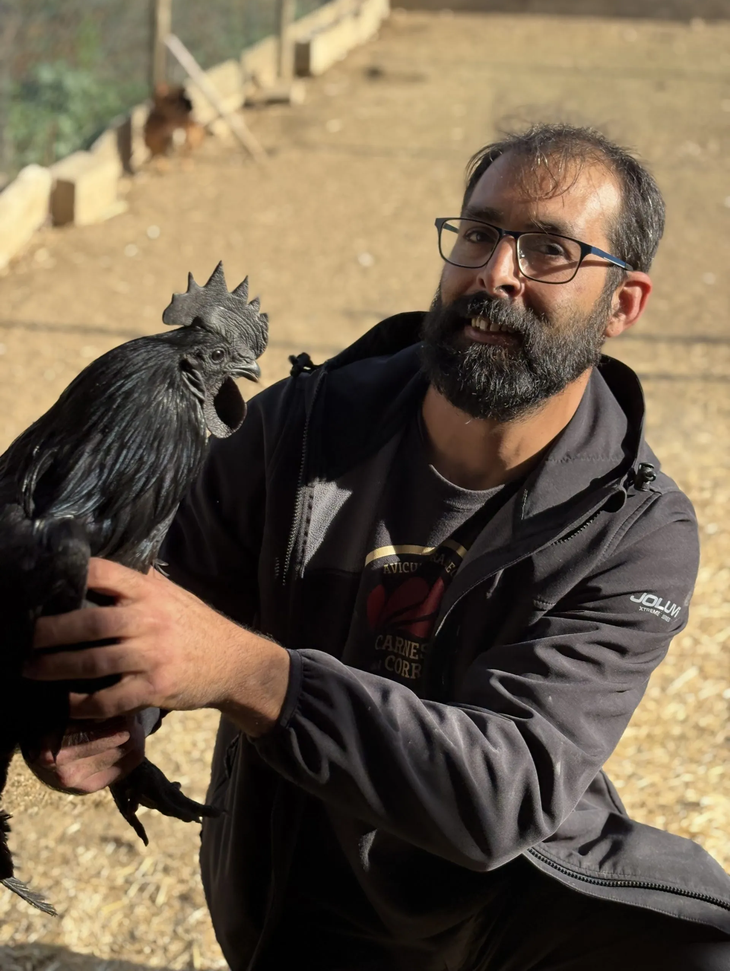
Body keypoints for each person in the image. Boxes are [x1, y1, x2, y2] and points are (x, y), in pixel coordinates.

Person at [26, 124, 730, 970]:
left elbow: (504, 790)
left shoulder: (635, 530)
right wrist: (114, 706)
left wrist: (250, 673)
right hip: (296, 891)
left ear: (623, 304)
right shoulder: (301, 425)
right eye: (479, 233)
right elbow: (171, 582)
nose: (495, 272)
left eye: (550, 250)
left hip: (505, 915)